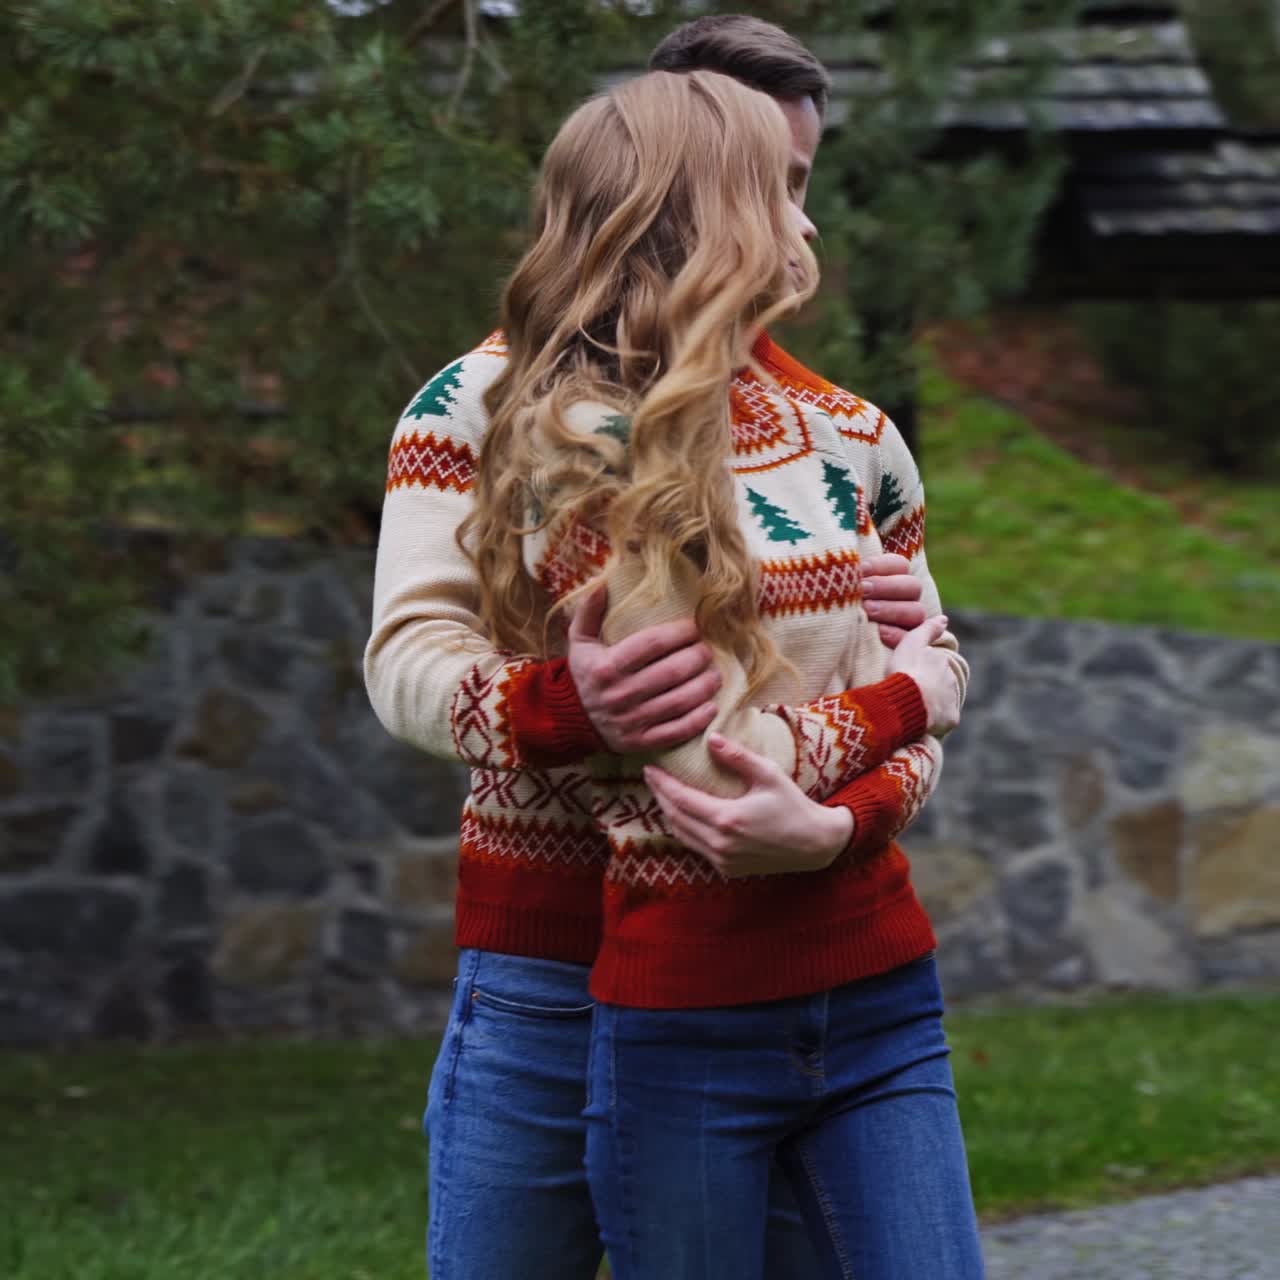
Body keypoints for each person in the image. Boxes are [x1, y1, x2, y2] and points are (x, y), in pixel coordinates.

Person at [363, 17, 971, 1280]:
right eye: (771, 187)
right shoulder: (481, 406)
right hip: (543, 961)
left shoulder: (850, 438)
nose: (797, 226)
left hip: (781, 959)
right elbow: (410, 657)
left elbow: (914, 675)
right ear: (666, 183)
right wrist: (560, 700)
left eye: (801, 183)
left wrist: (878, 759)